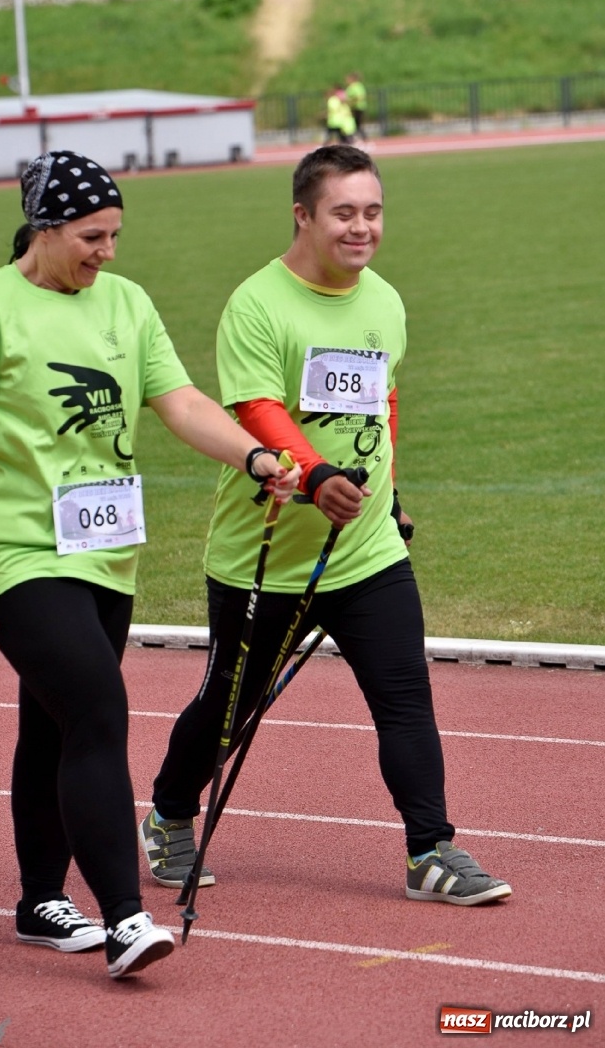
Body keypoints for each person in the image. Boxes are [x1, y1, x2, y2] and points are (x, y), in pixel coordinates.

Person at [0, 149, 300, 980]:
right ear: (45, 228)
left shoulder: (126, 303)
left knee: (50, 724)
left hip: (106, 555)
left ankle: (38, 904)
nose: (108, 252)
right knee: (96, 709)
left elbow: (184, 403)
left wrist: (258, 460)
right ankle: (125, 920)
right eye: (92, 236)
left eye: (116, 234)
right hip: (20, 554)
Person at [142, 144, 512, 908]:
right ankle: (171, 815)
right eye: (343, 212)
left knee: (405, 697)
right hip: (264, 557)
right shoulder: (257, 303)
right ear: (303, 215)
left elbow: (383, 401)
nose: (361, 228)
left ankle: (429, 851)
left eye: (372, 212)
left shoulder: (382, 300)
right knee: (228, 706)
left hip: (366, 549)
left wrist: (389, 489)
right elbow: (256, 410)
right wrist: (314, 476)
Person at [345, 72, 368, 141]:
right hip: (355, 107)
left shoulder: (355, 86)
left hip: (357, 107)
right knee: (355, 124)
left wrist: (350, 102)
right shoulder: (355, 86)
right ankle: (360, 138)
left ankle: (363, 138)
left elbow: (359, 97)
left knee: (356, 124)